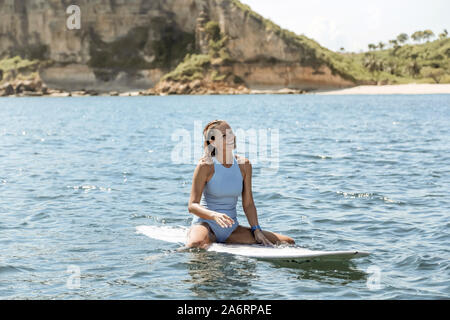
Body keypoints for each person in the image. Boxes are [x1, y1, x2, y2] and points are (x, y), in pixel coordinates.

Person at [186, 120, 295, 249]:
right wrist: (214, 215)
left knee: (287, 242)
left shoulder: (244, 165)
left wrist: (256, 230)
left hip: (230, 229)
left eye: (231, 133)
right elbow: (192, 206)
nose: (231, 137)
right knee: (195, 244)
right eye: (225, 136)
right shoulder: (205, 166)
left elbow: (248, 203)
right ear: (213, 142)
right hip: (206, 225)